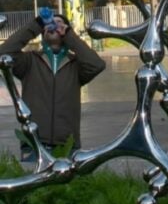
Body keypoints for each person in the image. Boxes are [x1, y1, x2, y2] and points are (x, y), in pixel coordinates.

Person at [0, 9, 106, 157]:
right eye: (49, 23)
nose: (54, 25)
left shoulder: (75, 65)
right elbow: (4, 52)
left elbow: (97, 65)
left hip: (67, 145)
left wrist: (69, 35)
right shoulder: (30, 61)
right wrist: (36, 24)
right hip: (33, 143)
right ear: (43, 31)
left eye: (59, 23)